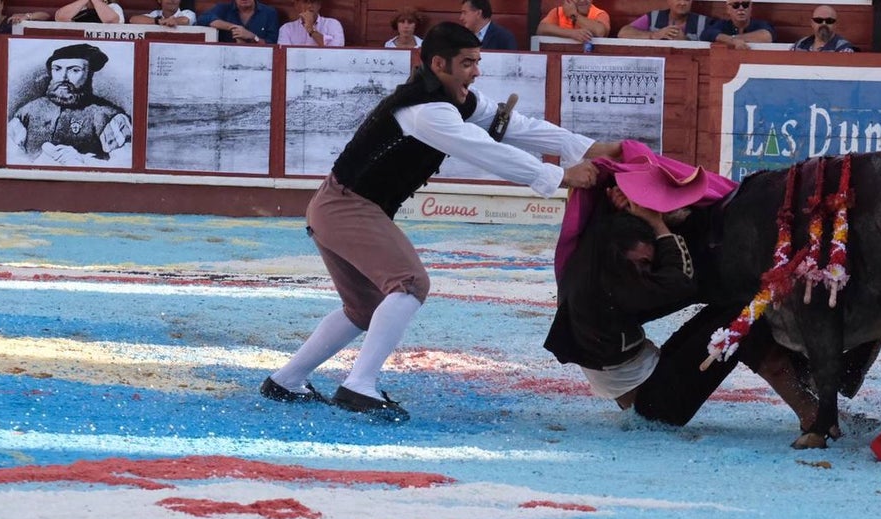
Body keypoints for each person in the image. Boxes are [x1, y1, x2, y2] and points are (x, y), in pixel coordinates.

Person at [261, 22, 616, 421]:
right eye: (467, 63)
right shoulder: (427, 112)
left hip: (337, 204)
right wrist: (560, 175)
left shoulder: (452, 100)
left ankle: (287, 379)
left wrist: (583, 147)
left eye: (477, 61)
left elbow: (515, 127)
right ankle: (358, 386)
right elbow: (484, 150)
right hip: (347, 207)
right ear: (438, 64)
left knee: (364, 306)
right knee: (410, 283)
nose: (476, 71)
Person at [545, 177, 817, 429]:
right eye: (643, 264)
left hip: (644, 381)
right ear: (619, 258)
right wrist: (658, 224)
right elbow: (681, 281)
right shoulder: (615, 287)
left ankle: (808, 392)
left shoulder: (596, 255)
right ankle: (810, 412)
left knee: (729, 309)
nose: (646, 272)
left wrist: (621, 205)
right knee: (741, 321)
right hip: (654, 405)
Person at [6, 43, 132, 167]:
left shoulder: (107, 116)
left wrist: (82, 161)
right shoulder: (29, 110)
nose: (63, 77)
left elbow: (125, 164)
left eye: (74, 70)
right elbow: (8, 154)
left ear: (89, 74)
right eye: (57, 69)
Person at [618, 0, 709, 42]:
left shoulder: (703, 21)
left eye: (687, 0)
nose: (682, 3)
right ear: (668, 1)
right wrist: (654, 35)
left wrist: (685, 41)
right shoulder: (654, 16)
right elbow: (623, 33)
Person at [197, 0, 279, 44]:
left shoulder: (269, 13)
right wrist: (234, 28)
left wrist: (253, 37)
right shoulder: (223, 8)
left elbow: (273, 46)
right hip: (226, 60)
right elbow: (202, 19)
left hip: (259, 60)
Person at [702, 0, 774, 48]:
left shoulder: (760, 24)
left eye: (745, 4)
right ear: (728, 9)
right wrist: (732, 41)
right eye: (735, 5)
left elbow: (766, 36)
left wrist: (732, 39)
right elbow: (707, 34)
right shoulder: (722, 24)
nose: (741, 8)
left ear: (750, 7)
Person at [536, 0, 609, 43]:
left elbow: (600, 32)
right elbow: (541, 29)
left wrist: (573, 15)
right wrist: (571, 33)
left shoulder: (600, 13)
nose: (582, 0)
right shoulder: (558, 11)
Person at [277, 0, 343, 46]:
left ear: (319, 5)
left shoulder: (333, 24)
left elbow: (335, 52)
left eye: (313, 1)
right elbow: (284, 55)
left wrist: (311, 29)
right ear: (296, 5)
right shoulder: (286, 29)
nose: (309, 5)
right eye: (305, 1)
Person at [791, 5, 855, 52]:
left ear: (835, 24)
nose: (824, 24)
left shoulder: (844, 48)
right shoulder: (800, 44)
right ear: (812, 23)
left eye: (829, 21)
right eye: (819, 20)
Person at [129, 0, 195, 26]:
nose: (172, 0)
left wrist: (174, 21)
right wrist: (159, 21)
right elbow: (133, 20)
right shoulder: (156, 14)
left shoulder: (187, 13)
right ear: (159, 0)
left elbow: (185, 20)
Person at [54, 0, 124, 24]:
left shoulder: (113, 7)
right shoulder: (78, 8)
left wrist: (96, 1)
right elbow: (60, 18)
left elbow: (111, 21)